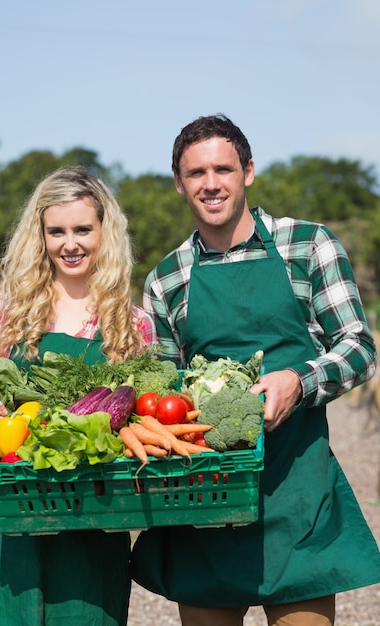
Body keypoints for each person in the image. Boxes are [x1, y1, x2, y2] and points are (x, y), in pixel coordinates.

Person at [130, 115, 380, 626]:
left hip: (297, 492)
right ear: (179, 183)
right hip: (206, 502)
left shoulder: (307, 246)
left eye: (223, 168)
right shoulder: (167, 279)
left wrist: (300, 380)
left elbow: (359, 347)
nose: (211, 183)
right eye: (196, 173)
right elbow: (161, 394)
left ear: (248, 171)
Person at [0, 165, 156, 626]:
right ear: (41, 235)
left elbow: (145, 419)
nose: (70, 243)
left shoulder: (133, 325)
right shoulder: (12, 310)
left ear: (104, 232)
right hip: (12, 510)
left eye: (83, 229)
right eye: (57, 231)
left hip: (92, 513)